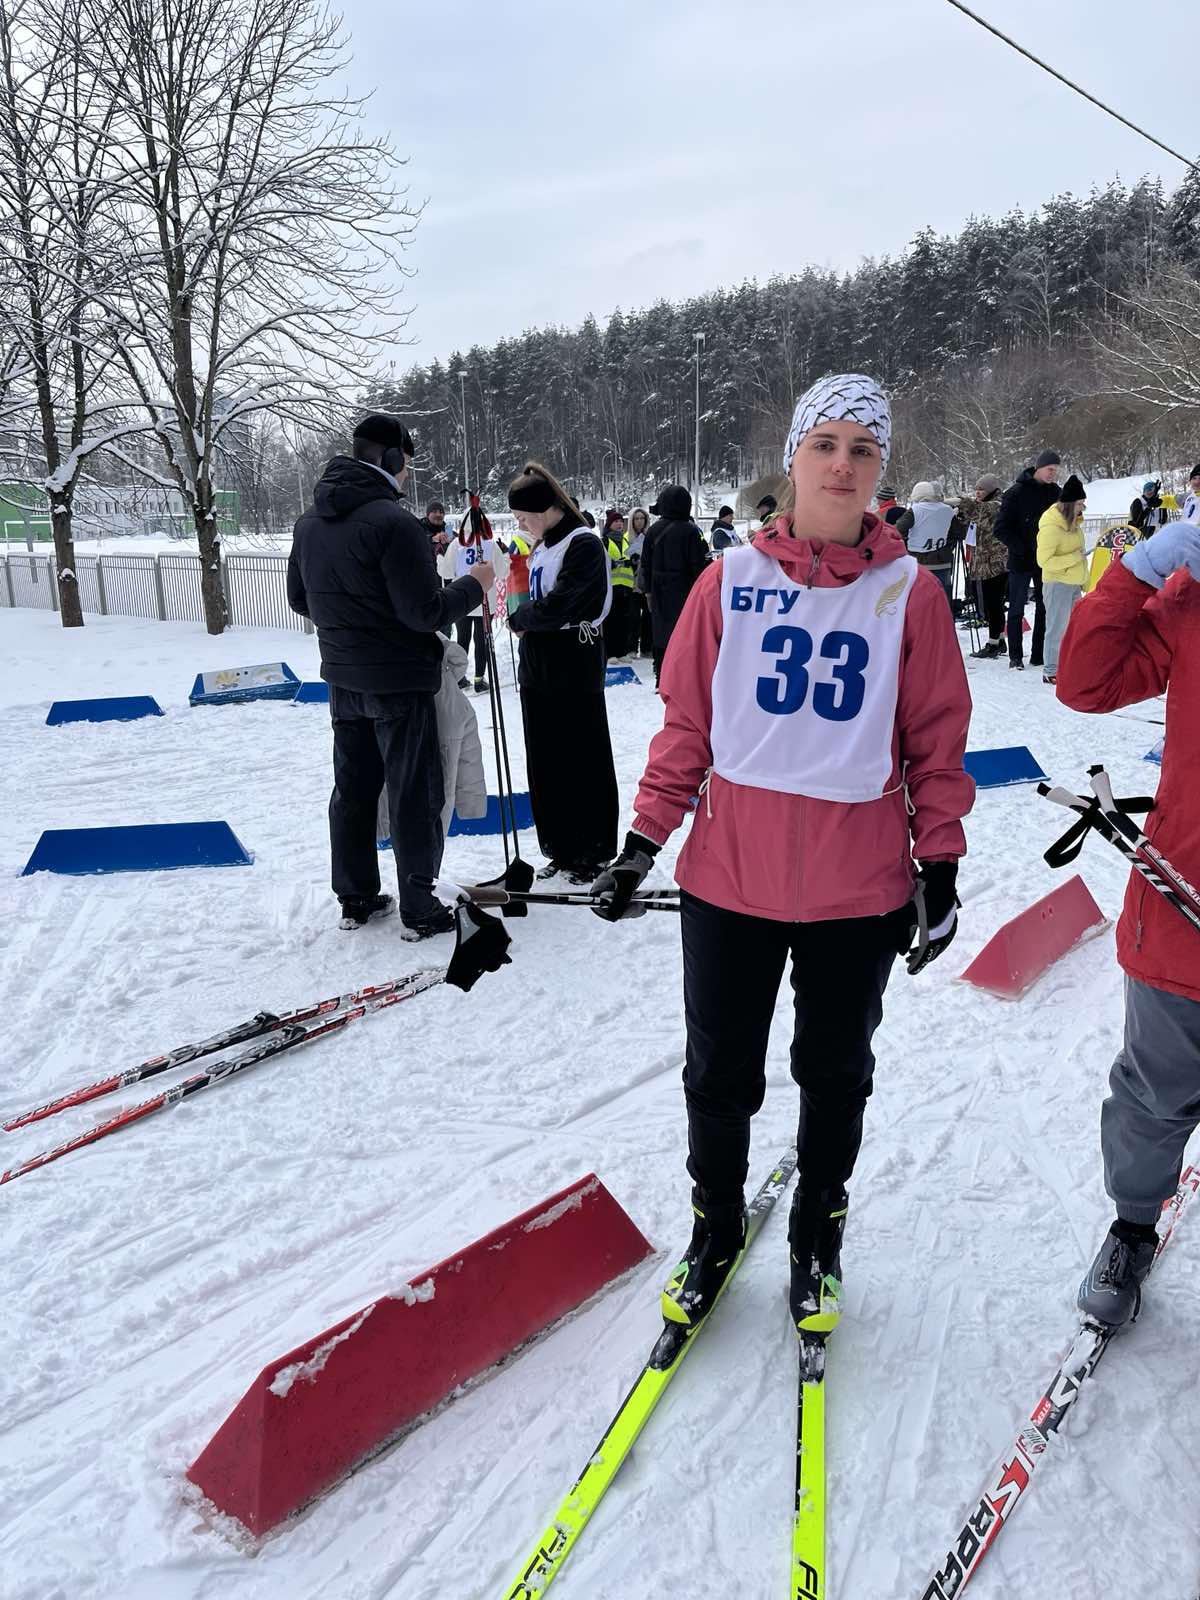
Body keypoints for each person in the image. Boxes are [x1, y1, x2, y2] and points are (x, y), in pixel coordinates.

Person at [591, 373, 973, 1340]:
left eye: (864, 449)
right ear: (794, 458)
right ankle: (715, 1229)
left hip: (858, 891)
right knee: (719, 1077)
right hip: (731, 883)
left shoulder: (910, 595)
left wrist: (941, 865)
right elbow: (688, 728)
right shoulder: (729, 582)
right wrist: (643, 841)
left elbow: (935, 743)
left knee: (836, 1072)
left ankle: (817, 1239)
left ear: (882, 470)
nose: (843, 465)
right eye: (826, 444)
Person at [1056, 518, 1200, 1327]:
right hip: (1184, 904)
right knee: (1152, 1097)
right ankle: (1132, 1229)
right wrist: (1138, 571)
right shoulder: (1191, 600)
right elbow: (1085, 681)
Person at [287, 413, 491, 936]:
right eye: (406, 465)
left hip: (343, 678)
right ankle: (419, 906)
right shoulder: (395, 524)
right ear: (392, 458)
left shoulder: (309, 522)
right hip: (400, 681)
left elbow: (297, 599)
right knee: (412, 792)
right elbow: (423, 612)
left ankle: (355, 897)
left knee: (352, 790)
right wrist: (473, 584)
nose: (406, 477)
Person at [507, 462, 618, 884]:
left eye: (522, 517)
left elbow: (565, 602)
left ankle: (592, 848)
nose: (520, 524)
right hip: (539, 658)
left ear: (546, 508)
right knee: (546, 755)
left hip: (573, 656)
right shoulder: (543, 545)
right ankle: (561, 844)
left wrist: (524, 616)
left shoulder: (583, 542)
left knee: (580, 754)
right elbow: (535, 598)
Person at [994, 448, 1060, 670]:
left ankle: (1038, 654)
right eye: (1050, 469)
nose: (1053, 474)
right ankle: (1015, 656)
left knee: (1044, 607)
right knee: (1016, 608)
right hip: (1021, 560)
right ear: (1039, 468)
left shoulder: (1055, 493)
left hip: (1046, 560)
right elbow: (1001, 528)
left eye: (1055, 470)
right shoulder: (1015, 493)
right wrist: (1020, 548)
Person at [640, 484, 709, 686]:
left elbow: (645, 563)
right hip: (685, 591)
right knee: (685, 633)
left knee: (660, 633)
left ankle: (661, 676)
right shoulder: (691, 531)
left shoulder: (653, 531)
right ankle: (682, 678)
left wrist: (648, 592)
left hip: (658, 590)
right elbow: (700, 565)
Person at [439, 511, 506, 693]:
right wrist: (505, 556)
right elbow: (503, 572)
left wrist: (440, 559)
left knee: (462, 639)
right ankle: (479, 678)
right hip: (485, 599)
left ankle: (460, 677)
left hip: (463, 599)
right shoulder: (490, 544)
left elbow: (445, 572)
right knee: (482, 640)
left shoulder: (457, 544)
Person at [1036, 473, 1087, 685]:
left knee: (1072, 627)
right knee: (1057, 627)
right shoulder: (1051, 527)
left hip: (1074, 582)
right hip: (1057, 584)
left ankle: (1067, 664)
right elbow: (1044, 560)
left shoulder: (1073, 523)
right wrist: (1074, 559)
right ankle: (1050, 669)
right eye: (1080, 504)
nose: (1083, 508)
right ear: (1068, 504)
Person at [958, 474, 1007, 658]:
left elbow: (981, 511)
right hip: (984, 562)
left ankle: (993, 643)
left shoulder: (996, 504)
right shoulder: (985, 505)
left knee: (994, 603)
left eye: (982, 490)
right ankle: (1000, 639)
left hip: (994, 563)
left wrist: (962, 503)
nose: (978, 493)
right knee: (991, 603)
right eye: (976, 489)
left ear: (991, 490)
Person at [895, 481, 965, 604]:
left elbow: (897, 531)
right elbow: (960, 533)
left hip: (919, 564)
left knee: (921, 603)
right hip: (943, 563)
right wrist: (947, 546)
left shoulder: (915, 510)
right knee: (943, 601)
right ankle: (945, 622)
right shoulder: (947, 510)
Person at [602, 508, 637, 660]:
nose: (619, 524)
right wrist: (613, 564)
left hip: (626, 585)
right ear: (609, 524)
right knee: (611, 620)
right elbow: (601, 562)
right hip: (612, 585)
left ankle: (622, 651)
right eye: (616, 521)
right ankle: (610, 652)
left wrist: (633, 561)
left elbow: (630, 558)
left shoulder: (625, 540)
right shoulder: (605, 541)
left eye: (621, 521)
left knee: (624, 620)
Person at [627, 507, 654, 656]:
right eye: (636, 519)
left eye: (641, 519)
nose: (639, 522)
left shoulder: (650, 536)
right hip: (631, 582)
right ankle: (631, 647)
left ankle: (646, 647)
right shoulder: (627, 537)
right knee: (633, 617)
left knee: (648, 617)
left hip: (646, 581)